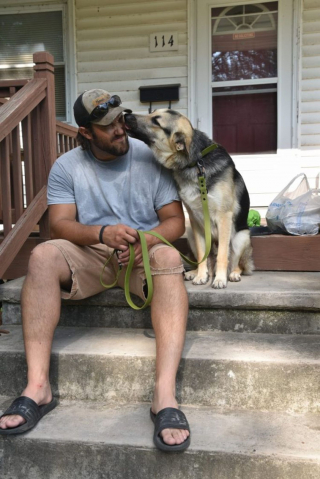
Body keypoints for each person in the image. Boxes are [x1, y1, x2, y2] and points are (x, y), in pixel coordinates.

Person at [0, 89, 190, 452]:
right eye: (109, 126)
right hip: (91, 254)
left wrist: (144, 242)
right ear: (86, 132)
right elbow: (60, 225)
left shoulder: (150, 157)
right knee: (41, 256)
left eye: (121, 120)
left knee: (170, 259)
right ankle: (38, 387)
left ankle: (164, 396)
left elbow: (174, 222)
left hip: (141, 255)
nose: (121, 129)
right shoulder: (66, 166)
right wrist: (102, 233)